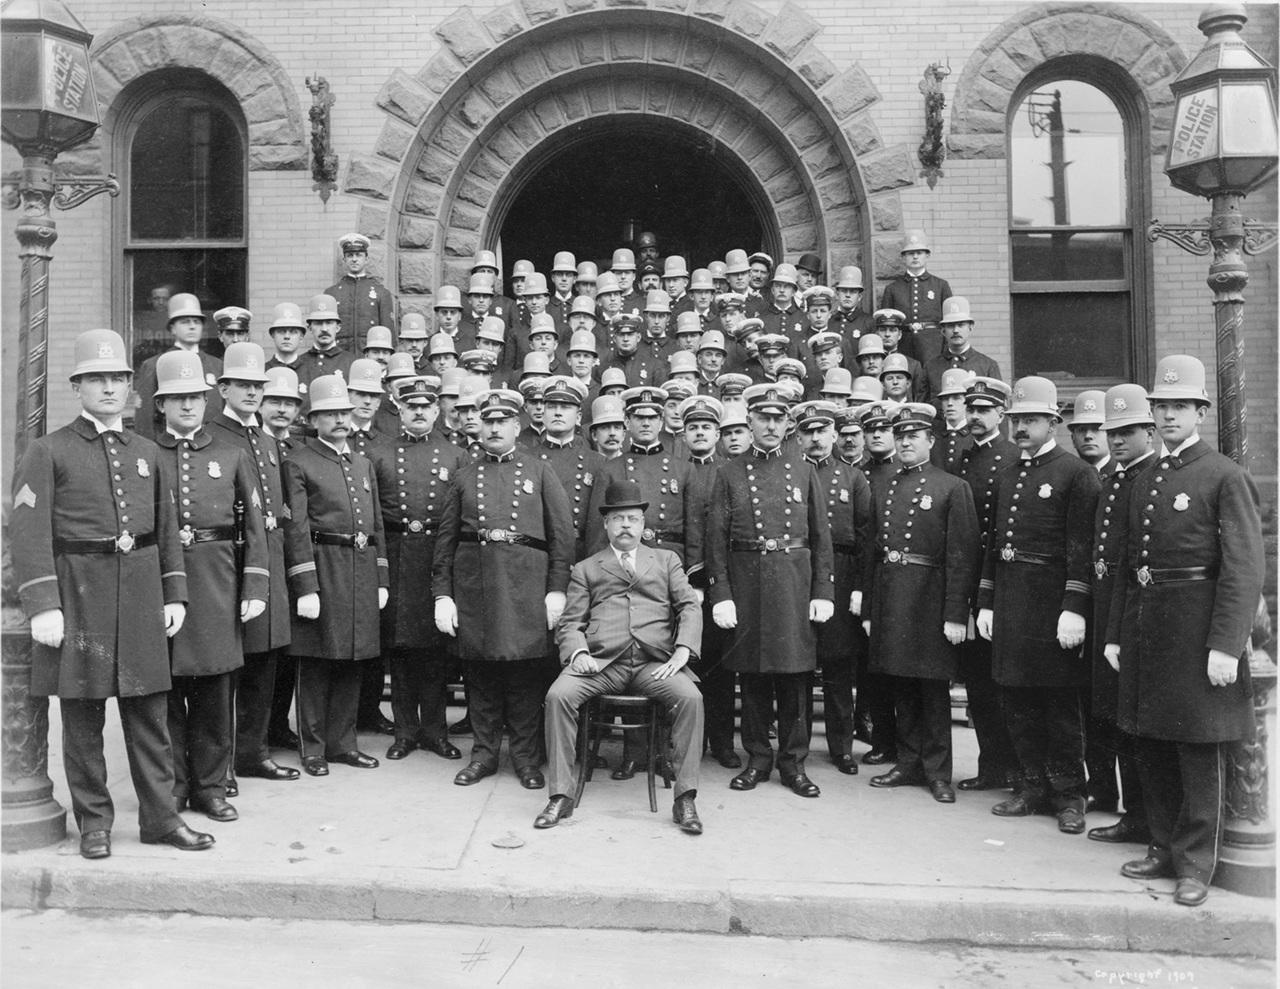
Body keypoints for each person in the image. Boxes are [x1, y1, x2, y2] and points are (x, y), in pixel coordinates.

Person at [11, 329, 213, 858]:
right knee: (83, 717)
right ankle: (95, 822)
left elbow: (166, 529)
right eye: (96, 379)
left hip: (143, 595)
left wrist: (175, 593)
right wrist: (43, 604)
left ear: (131, 387)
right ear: (77, 386)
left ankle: (161, 820)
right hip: (80, 595)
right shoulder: (48, 450)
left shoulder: (146, 450)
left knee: (150, 717)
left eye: (118, 378)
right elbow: (27, 533)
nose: (108, 388)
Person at [1105, 356, 1264, 908]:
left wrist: (1226, 643)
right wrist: (1118, 634)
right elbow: (1131, 565)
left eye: (1180, 406)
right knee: (1152, 742)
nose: (1169, 415)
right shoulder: (1148, 476)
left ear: (1200, 412)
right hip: (1151, 630)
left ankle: (1196, 864)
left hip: (1198, 631)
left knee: (1197, 750)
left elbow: (1243, 568)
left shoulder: (1223, 475)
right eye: (1162, 407)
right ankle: (1164, 846)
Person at [537, 479, 706, 833]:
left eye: (632, 518)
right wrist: (578, 651)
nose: (625, 525)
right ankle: (560, 795)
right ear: (606, 525)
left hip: (653, 664)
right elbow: (570, 622)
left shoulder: (666, 560)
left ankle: (685, 798)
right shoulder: (588, 568)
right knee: (558, 696)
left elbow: (689, 605)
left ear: (644, 525)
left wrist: (683, 650)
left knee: (691, 698)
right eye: (618, 519)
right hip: (601, 663)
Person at [432, 389, 575, 789]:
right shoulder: (463, 476)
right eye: (488, 421)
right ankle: (484, 755)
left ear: (517, 426)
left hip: (526, 589)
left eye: (502, 422)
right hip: (476, 589)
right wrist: (443, 595)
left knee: (526, 677)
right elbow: (444, 542)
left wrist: (557, 589)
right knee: (480, 676)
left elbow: (562, 536)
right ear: (479, 426)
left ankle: (527, 758)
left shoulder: (540, 471)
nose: (494, 428)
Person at [977, 376, 1100, 835]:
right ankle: (1031, 787)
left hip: (1052, 605)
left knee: (1059, 706)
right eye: (1017, 420)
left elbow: (1081, 548)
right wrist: (987, 600)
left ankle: (1069, 795)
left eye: (1031, 420)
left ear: (1054, 422)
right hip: (1012, 600)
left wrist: (1074, 606)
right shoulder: (1009, 474)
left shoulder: (1076, 474)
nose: (1021, 428)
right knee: (1017, 699)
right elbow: (995, 545)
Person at [152, 349, 269, 822]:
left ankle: (211, 786)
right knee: (169, 691)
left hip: (219, 580)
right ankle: (176, 785)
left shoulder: (231, 454)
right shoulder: (146, 452)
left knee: (216, 691)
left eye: (195, 397)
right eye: (176, 398)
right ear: (160, 405)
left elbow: (256, 525)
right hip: (164, 582)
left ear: (206, 399)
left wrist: (255, 587)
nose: (187, 406)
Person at [706, 383, 835, 798]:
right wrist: (721, 593)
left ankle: (793, 764)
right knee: (755, 676)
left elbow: (820, 537)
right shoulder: (728, 472)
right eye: (763, 418)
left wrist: (823, 591)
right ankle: (758, 758)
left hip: (794, 585)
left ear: (788, 423)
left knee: (796, 679)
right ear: (750, 421)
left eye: (779, 418)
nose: (771, 425)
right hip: (748, 584)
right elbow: (716, 540)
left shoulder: (804, 469)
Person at [864, 403, 979, 804]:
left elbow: (962, 557)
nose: (906, 442)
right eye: (901, 436)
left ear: (931, 440)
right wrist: (869, 609)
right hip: (893, 595)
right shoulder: (886, 487)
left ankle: (938, 771)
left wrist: (955, 613)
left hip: (930, 598)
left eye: (914, 436)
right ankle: (908, 762)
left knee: (932, 690)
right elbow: (872, 551)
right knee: (901, 684)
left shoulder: (951, 487)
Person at [282, 374, 389, 776]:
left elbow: (375, 523)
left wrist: (381, 577)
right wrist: (305, 584)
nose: (341, 419)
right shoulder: (299, 462)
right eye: (330, 413)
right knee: (317, 661)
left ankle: (344, 743)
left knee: (353, 658)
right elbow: (295, 528)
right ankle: (313, 747)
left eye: (344, 411)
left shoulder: (361, 462)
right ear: (314, 419)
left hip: (360, 566)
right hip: (324, 564)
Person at [208, 354, 302, 778]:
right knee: (227, 666)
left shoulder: (267, 441)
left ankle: (252, 752)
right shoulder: (212, 435)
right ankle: (218, 763)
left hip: (269, 557)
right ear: (223, 389)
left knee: (265, 661)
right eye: (242, 385)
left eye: (257, 386)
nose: (251, 392)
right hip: (229, 561)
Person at [370, 375, 467, 762]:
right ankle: (405, 731)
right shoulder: (379, 454)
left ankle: (435, 731)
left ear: (436, 409)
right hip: (396, 556)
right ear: (400, 410)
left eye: (426, 407)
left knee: (435, 653)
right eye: (412, 407)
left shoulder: (455, 455)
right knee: (401, 651)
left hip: (435, 556)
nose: (420, 412)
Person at [1085, 383, 1157, 846]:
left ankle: (1141, 816)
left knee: (1132, 721)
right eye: (1112, 432)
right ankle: (1117, 802)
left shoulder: (1150, 479)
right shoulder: (1113, 478)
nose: (1117, 440)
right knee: (1107, 714)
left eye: (1128, 431)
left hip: (1133, 612)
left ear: (1149, 432)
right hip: (1103, 605)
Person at [797, 400, 873, 775]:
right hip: (797, 571)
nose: (815, 438)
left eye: (821, 431)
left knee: (839, 664)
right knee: (797, 662)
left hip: (841, 574)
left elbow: (864, 537)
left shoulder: (852, 478)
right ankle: (794, 747)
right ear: (799, 436)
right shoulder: (791, 473)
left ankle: (841, 747)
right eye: (808, 431)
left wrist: (859, 587)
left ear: (834, 435)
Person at [953, 376, 1019, 792]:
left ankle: (1014, 768)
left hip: (999, 580)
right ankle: (991, 765)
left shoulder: (1011, 458)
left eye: (983, 410)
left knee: (1003, 683)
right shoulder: (962, 457)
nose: (974, 417)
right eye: (970, 409)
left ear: (1000, 414)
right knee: (978, 681)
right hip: (970, 578)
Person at [132, 293, 223, 439]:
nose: (192, 326)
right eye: (185, 322)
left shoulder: (216, 365)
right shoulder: (155, 365)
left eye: (196, 321)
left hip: (213, 449)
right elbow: (145, 420)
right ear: (173, 328)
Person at [878, 229, 952, 363]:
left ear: (927, 255)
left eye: (919, 253)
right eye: (911, 253)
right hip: (903, 346)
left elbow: (949, 323)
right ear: (903, 257)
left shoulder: (940, 286)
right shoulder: (893, 288)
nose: (915, 257)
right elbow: (885, 324)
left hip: (933, 346)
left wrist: (946, 348)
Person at [922, 297, 1002, 404]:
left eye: (961, 325)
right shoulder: (931, 367)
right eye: (950, 326)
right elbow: (923, 407)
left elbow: (998, 406)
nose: (956, 330)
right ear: (942, 330)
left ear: (970, 327)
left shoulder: (987, 365)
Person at [325, 232, 394, 353]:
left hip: (370, 357)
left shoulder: (381, 293)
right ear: (344, 259)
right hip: (339, 358)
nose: (354, 259)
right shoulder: (332, 294)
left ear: (366, 259)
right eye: (350, 255)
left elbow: (388, 334)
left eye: (358, 255)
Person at [296, 294, 355, 390]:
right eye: (318, 323)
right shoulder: (299, 363)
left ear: (338, 327)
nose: (324, 329)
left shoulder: (351, 363)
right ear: (310, 328)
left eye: (329, 323)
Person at [1068, 390, 1110, 472]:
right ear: (1073, 439)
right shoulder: (1067, 475)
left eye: (1096, 429)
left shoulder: (1123, 475)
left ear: (1110, 436)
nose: (1088, 436)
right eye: (1082, 430)